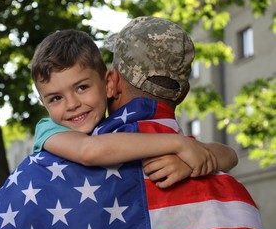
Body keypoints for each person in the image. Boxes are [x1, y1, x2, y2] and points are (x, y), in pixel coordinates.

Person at [101, 16, 270, 229]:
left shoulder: (57, 172)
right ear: (183, 94)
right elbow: (229, 155)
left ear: (111, 82)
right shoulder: (235, 199)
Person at [31, 29, 237, 188]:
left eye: (82, 87)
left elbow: (230, 155)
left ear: (109, 84)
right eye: (56, 98)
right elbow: (89, 150)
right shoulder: (49, 130)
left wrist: (191, 162)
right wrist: (178, 144)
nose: (72, 104)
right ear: (43, 103)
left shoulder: (119, 127)